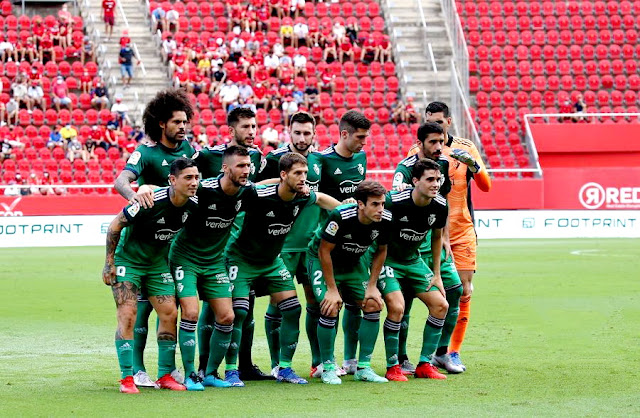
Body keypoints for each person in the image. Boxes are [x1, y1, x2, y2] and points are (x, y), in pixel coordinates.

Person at [224, 153, 340, 386]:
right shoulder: (258, 195)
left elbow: (323, 200)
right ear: (283, 175)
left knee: (292, 309)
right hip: (242, 259)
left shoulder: (302, 196)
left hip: (271, 261)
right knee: (240, 312)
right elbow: (242, 192)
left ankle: (284, 368)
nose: (303, 179)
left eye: (306, 174)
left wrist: (346, 211)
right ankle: (230, 370)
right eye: (298, 173)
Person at [114, 88, 196, 388]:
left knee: (169, 310)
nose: (183, 127)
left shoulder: (191, 152)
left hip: (173, 247)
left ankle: (167, 370)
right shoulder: (146, 152)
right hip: (142, 244)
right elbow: (121, 179)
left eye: (186, 121)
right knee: (137, 311)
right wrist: (136, 195)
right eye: (177, 122)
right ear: (162, 123)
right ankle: (135, 369)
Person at [102, 157, 199, 394]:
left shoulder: (193, 204)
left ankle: (166, 373)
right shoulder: (149, 200)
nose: (194, 182)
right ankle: (127, 378)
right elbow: (115, 225)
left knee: (169, 313)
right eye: (188, 178)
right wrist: (109, 263)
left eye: (196, 177)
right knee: (128, 315)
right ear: (172, 180)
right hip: (129, 261)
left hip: (157, 265)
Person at [166, 146, 254, 390]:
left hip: (215, 261)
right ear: (225, 168)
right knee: (191, 313)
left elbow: (273, 189)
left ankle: (211, 373)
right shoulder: (202, 190)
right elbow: (170, 194)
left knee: (227, 316)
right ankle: (190, 374)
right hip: (186, 259)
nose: (246, 170)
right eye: (240, 166)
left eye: (248, 166)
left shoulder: (247, 192)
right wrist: (142, 190)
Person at [193, 107, 265, 381]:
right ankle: (203, 367)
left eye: (254, 127)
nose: (251, 132)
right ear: (231, 129)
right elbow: (184, 179)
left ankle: (243, 365)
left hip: (243, 247)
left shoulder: (257, 157)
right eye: (246, 127)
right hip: (213, 246)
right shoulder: (208, 156)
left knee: (246, 307)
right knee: (212, 307)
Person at [423, 101, 492, 371]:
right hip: (428, 232)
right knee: (426, 293)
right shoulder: (419, 149)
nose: (435, 127)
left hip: (461, 230)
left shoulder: (465, 147)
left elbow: (486, 186)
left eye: (439, 122)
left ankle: (451, 352)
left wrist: (473, 165)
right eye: (430, 121)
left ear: (449, 122)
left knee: (463, 292)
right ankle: (421, 353)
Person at [255, 112, 323, 375]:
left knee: (315, 302)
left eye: (307, 133)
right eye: (297, 132)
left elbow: (321, 199)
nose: (302, 138)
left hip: (311, 245)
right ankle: (276, 363)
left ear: (314, 134)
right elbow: (255, 191)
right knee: (279, 303)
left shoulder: (320, 161)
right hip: (281, 245)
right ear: (289, 132)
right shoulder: (274, 160)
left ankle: (317, 362)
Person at [307, 180, 392, 384]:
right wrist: (332, 289)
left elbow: (381, 251)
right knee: (330, 306)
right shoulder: (341, 216)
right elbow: (323, 251)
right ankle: (327, 367)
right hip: (322, 261)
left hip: (354, 262)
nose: (380, 209)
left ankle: (363, 367)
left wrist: (372, 286)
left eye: (382, 203)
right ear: (360, 204)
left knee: (372, 304)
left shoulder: (386, 219)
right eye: (375, 204)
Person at [307, 110, 370, 375]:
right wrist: (345, 210)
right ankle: (322, 362)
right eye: (359, 137)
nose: (363, 143)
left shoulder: (362, 158)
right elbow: (314, 196)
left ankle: (351, 361)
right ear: (344, 134)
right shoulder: (320, 159)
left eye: (366, 137)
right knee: (324, 305)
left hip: (354, 245)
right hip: (327, 242)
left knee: (359, 303)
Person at [379, 158, 451, 381]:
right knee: (398, 308)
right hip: (388, 261)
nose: (436, 184)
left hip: (413, 261)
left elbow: (437, 237)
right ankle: (393, 367)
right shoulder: (393, 202)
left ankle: (424, 364)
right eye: (430, 179)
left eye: (438, 179)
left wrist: (437, 274)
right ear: (416, 181)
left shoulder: (439, 204)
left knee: (441, 305)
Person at [392, 121, 453, 375]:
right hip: (393, 258)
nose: (439, 147)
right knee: (399, 307)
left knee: (447, 299)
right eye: (433, 142)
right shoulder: (400, 182)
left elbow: (438, 231)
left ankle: (428, 362)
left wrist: (437, 273)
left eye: (442, 141)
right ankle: (394, 362)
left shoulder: (443, 173)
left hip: (418, 255)